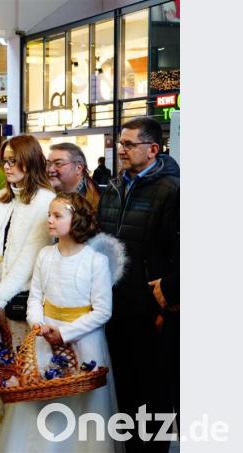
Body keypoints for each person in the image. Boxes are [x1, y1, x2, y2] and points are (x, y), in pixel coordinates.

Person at [0, 192, 124, 452]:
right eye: (49, 215)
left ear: (75, 220)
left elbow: (102, 311)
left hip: (84, 342)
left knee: (82, 408)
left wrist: (64, 334)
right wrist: (38, 325)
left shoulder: (95, 261)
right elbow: (35, 297)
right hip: (45, 340)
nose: (50, 221)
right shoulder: (45, 255)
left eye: (57, 216)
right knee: (42, 403)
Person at [97, 116, 179, 452]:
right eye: (121, 143)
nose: (122, 150)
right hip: (117, 307)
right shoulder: (116, 186)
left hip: (151, 310)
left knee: (154, 396)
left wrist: (168, 300)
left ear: (153, 149)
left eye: (129, 144)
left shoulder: (171, 190)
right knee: (127, 393)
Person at [0, 135, 56, 449]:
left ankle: (18, 441)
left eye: (13, 160)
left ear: (29, 161)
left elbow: (29, 260)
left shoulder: (45, 200)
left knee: (18, 372)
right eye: (4, 160)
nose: (6, 166)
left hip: (19, 301)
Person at [47, 142, 101, 208]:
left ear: (78, 168)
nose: (50, 169)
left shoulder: (97, 200)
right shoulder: (43, 195)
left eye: (58, 163)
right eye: (48, 164)